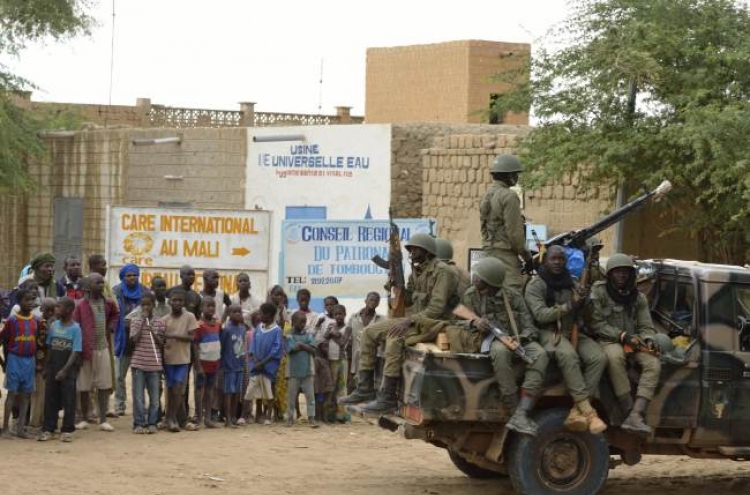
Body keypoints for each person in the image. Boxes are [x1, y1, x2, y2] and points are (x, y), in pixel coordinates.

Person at [342, 233, 459, 413]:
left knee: (394, 338)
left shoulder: (442, 271)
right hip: (417, 321)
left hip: (434, 323)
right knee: (368, 333)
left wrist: (409, 320)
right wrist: (395, 287)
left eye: (415, 248)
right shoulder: (417, 272)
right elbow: (410, 300)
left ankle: (387, 397)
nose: (411, 252)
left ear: (427, 250)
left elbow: (436, 308)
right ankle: (364, 388)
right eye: (410, 249)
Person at [458, 257, 549, 436]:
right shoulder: (470, 296)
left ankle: (523, 410)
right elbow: (456, 322)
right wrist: (474, 323)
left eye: (480, 276)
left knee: (540, 354)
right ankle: (513, 408)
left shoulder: (513, 296)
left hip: (516, 340)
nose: (475, 278)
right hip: (488, 341)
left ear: (490, 282)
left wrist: (521, 338)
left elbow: (529, 325)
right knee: (500, 352)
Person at [524, 245, 607, 434]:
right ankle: (588, 411)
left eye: (561, 259)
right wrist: (569, 305)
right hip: (548, 332)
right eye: (553, 259)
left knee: (598, 357)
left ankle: (576, 410)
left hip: (573, 329)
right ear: (545, 261)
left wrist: (585, 301)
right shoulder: (536, 285)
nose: (557, 263)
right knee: (568, 355)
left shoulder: (572, 282)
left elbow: (587, 315)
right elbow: (540, 315)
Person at [589, 253, 661, 436]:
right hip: (608, 340)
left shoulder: (638, 297)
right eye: (617, 272)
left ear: (631, 274)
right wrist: (621, 336)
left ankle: (636, 414)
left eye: (625, 272)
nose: (621, 275)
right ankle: (627, 409)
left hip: (634, 341)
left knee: (653, 363)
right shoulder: (599, 292)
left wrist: (649, 340)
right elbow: (596, 324)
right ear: (610, 274)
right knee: (614, 357)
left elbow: (646, 326)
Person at [73, 273, 119, 432]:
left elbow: (115, 315)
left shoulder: (108, 303)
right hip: (86, 350)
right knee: (84, 386)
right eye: (97, 282)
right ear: (88, 286)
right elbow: (76, 328)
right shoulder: (80, 306)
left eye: (102, 282)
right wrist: (78, 351)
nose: (101, 284)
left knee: (104, 385)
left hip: (102, 347)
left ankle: (103, 419)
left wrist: (110, 327)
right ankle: (85, 418)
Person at [479, 154, 532, 291]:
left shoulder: (486, 195)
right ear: (509, 175)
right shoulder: (509, 196)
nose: (517, 177)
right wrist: (527, 257)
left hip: (488, 254)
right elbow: (515, 236)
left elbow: (483, 227)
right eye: (516, 174)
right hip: (506, 258)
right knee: (513, 297)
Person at [38, 297, 81, 442]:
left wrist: (65, 370)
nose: (55, 310)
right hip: (52, 367)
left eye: (58, 307)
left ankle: (67, 429)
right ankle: (49, 428)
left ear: (68, 310)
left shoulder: (75, 328)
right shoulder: (54, 326)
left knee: (69, 400)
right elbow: (50, 347)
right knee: (50, 399)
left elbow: (75, 351)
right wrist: (46, 367)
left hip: (68, 370)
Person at [1, 290, 40, 438]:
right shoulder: (12, 320)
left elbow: (37, 341)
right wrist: (3, 361)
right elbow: (3, 339)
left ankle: (21, 429)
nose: (30, 303)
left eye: (32, 300)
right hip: (15, 359)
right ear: (19, 302)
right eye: (26, 300)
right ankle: (5, 428)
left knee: (26, 395)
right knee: (12, 393)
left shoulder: (35, 320)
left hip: (29, 360)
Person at [113, 263, 149, 416]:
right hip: (122, 339)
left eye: (135, 275)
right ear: (123, 277)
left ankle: (139, 406)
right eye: (129, 275)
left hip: (140, 339)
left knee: (140, 376)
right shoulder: (117, 291)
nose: (132, 278)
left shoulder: (144, 291)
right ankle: (120, 405)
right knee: (120, 375)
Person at [129, 293, 166, 435]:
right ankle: (138, 423)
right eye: (143, 305)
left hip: (154, 365)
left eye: (148, 304)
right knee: (138, 398)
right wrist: (142, 323)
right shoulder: (135, 321)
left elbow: (162, 343)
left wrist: (153, 333)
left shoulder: (160, 322)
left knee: (155, 398)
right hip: (138, 363)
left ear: (153, 306)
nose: (146, 307)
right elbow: (134, 340)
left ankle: (152, 423)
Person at [162, 288, 198, 433]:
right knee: (171, 390)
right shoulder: (165, 320)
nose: (177, 303)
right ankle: (173, 418)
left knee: (178, 389)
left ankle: (171, 419)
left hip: (183, 359)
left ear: (184, 302)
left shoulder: (189, 317)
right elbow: (162, 341)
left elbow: (192, 337)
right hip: (168, 359)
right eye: (174, 300)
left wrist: (175, 336)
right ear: (169, 302)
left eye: (180, 300)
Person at [246, 303, 283, 425]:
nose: (260, 315)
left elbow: (276, 350)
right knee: (256, 389)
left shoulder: (277, 330)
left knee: (269, 389)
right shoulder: (259, 327)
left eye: (262, 313)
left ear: (270, 315)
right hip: (257, 364)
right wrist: (256, 360)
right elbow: (254, 344)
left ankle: (268, 416)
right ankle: (258, 414)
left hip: (269, 366)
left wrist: (263, 362)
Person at [317, 304, 349, 423]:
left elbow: (343, 343)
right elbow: (324, 338)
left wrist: (333, 335)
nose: (338, 316)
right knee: (331, 387)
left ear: (345, 314)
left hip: (342, 361)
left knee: (341, 388)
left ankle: (341, 414)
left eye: (341, 314)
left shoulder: (347, 328)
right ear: (333, 316)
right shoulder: (331, 325)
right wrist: (331, 334)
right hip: (330, 360)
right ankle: (329, 414)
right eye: (336, 314)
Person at [285, 311, 318, 428]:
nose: (303, 324)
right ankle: (289, 418)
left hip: (308, 371)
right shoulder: (289, 335)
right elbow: (290, 349)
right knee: (291, 397)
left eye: (304, 321)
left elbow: (314, 350)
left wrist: (302, 346)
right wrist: (305, 346)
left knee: (310, 396)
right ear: (293, 322)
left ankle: (311, 418)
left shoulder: (308, 335)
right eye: (300, 322)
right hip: (293, 372)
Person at [346, 292, 384, 392]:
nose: (373, 302)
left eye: (376, 300)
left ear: (378, 303)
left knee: (369, 389)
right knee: (352, 389)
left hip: (372, 361)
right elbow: (348, 340)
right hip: (355, 361)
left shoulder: (381, 320)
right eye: (371, 299)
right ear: (365, 301)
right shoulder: (354, 317)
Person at [193, 297, 221, 429]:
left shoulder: (217, 325)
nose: (211, 308)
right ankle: (199, 417)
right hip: (202, 365)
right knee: (200, 390)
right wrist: (198, 366)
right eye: (208, 306)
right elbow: (195, 345)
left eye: (213, 306)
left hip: (214, 364)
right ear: (201, 308)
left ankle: (208, 418)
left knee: (210, 391)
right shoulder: (199, 326)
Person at [29, 298, 56, 430]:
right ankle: (35, 423)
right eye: (48, 310)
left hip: (45, 365)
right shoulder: (41, 324)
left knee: (44, 395)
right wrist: (42, 365)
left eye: (53, 310)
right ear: (41, 309)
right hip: (40, 364)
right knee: (38, 396)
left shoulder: (51, 323)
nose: (51, 313)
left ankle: (40, 422)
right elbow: (41, 346)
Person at [220, 304, 246, 428]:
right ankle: (228, 419)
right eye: (234, 312)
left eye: (239, 311)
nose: (237, 314)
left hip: (239, 366)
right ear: (229, 314)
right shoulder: (226, 330)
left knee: (237, 392)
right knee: (228, 393)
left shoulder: (242, 329)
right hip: (229, 367)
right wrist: (223, 364)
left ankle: (234, 416)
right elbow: (222, 347)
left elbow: (242, 347)